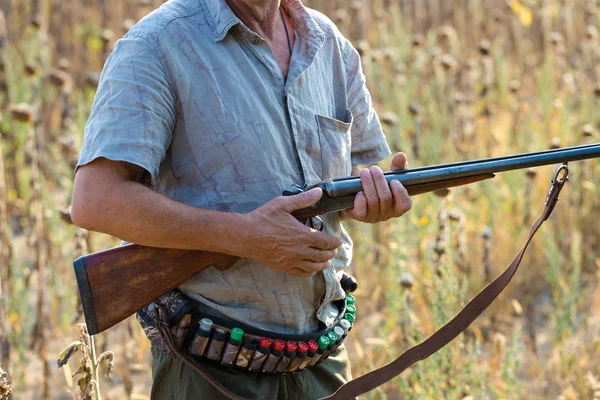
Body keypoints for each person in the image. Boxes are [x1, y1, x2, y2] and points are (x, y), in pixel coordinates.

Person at [71, 0, 412, 398]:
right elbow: (96, 199)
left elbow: (348, 178)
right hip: (209, 367)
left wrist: (372, 198)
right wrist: (241, 236)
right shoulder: (156, 44)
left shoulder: (327, 43)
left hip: (320, 357)